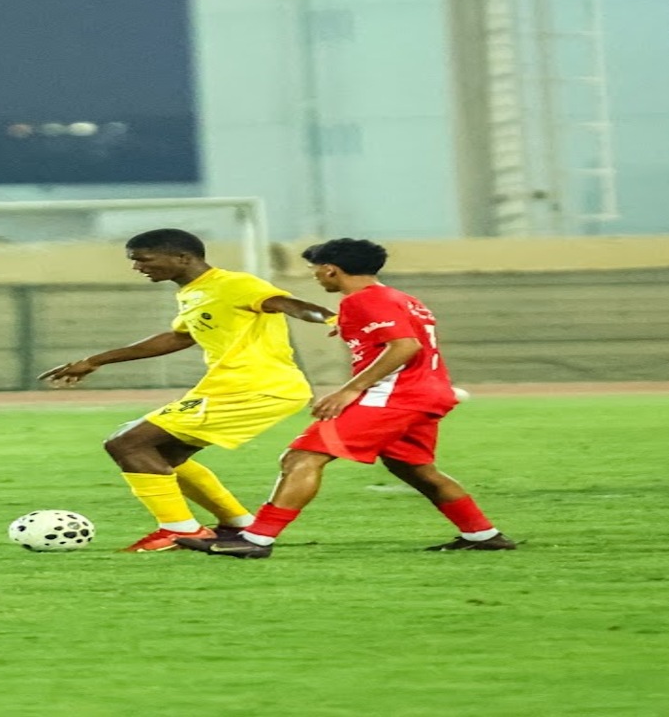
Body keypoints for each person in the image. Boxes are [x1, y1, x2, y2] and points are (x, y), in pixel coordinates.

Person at [178, 237, 516, 559]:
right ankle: (483, 535)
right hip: (425, 392)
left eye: (315, 268)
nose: (315, 274)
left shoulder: (364, 299)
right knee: (414, 469)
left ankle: (255, 539)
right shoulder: (400, 298)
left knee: (301, 458)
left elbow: (404, 346)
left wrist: (350, 389)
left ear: (330, 269)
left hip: (395, 396)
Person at [38, 228, 336, 553]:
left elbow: (287, 303)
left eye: (143, 260)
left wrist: (331, 319)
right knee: (164, 454)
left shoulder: (234, 284)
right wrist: (95, 360)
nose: (138, 267)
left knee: (127, 442)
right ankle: (237, 523)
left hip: (256, 388)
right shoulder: (193, 292)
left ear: (182, 258)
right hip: (235, 387)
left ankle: (177, 530)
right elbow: (178, 337)